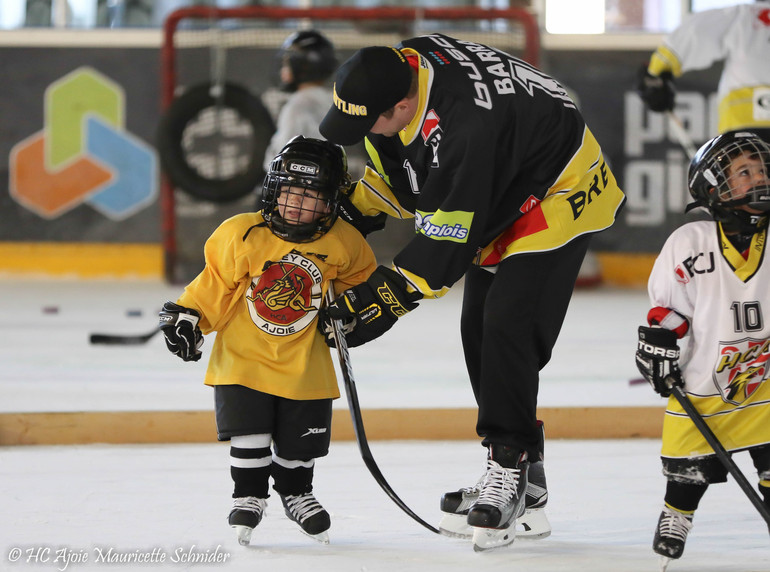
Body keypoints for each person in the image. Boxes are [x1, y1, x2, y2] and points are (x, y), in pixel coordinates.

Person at [316, 36, 626, 550]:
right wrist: (354, 212)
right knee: (477, 329)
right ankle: (530, 482)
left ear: (404, 104)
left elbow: (446, 239)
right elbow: (409, 169)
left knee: (508, 324)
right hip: (507, 175)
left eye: (369, 119)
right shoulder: (403, 66)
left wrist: (383, 298)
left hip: (558, 187)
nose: (361, 131)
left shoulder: (466, 129)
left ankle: (510, 464)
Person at [158, 136, 377, 546]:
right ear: (274, 188)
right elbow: (215, 286)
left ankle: (296, 492)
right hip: (243, 358)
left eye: (310, 195)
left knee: (300, 446)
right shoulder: (241, 233)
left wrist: (350, 316)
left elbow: (358, 288)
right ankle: (249, 495)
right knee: (250, 435)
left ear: (330, 202)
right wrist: (189, 316)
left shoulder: (346, 242)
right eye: (290, 191)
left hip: (304, 364)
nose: (296, 203)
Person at [635, 132, 770, 567]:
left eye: (761, 169)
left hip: (765, 379)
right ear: (714, 186)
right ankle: (678, 513)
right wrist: (659, 345)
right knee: (687, 467)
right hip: (706, 379)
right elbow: (669, 312)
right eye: (743, 172)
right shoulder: (691, 241)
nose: (758, 178)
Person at [636, 1, 770, 142]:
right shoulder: (744, 16)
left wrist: (655, 72)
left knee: (743, 160)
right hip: (742, 128)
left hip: (742, 131)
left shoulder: (745, 15)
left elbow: (694, 33)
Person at [262, 30, 338, 173]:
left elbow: (280, 156)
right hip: (324, 181)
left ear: (301, 65)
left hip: (297, 185)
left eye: (287, 62)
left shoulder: (298, 105)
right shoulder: (331, 100)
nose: (283, 69)